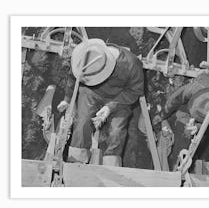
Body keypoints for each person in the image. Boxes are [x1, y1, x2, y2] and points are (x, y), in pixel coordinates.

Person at [57, 38, 144, 167]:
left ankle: (111, 167)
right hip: (90, 92)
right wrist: (67, 99)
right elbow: (73, 77)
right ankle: (76, 162)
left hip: (119, 97)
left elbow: (135, 91)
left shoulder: (131, 64)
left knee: (116, 131)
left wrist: (110, 107)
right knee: (82, 122)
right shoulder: (85, 56)